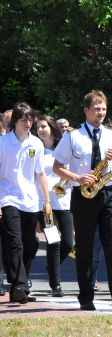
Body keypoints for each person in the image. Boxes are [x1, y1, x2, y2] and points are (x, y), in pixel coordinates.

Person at [53, 90, 112, 311]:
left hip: (108, 192)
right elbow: (56, 166)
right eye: (96, 108)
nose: (101, 112)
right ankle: (86, 297)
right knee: (86, 248)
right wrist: (77, 178)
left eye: (104, 108)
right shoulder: (73, 136)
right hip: (83, 194)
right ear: (86, 110)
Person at [0, 102, 50, 304]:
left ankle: (17, 284)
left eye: (31, 119)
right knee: (15, 242)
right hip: (8, 197)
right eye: (24, 119)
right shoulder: (3, 143)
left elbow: (41, 174)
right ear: (15, 122)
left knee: (30, 245)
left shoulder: (36, 144)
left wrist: (47, 200)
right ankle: (20, 285)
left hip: (31, 201)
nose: (28, 123)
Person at [34, 115, 74, 297]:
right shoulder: (35, 148)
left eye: (43, 126)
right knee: (53, 241)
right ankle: (55, 284)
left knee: (68, 242)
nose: (40, 130)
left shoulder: (63, 147)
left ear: (50, 127)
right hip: (45, 203)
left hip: (64, 201)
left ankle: (52, 266)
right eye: (38, 127)